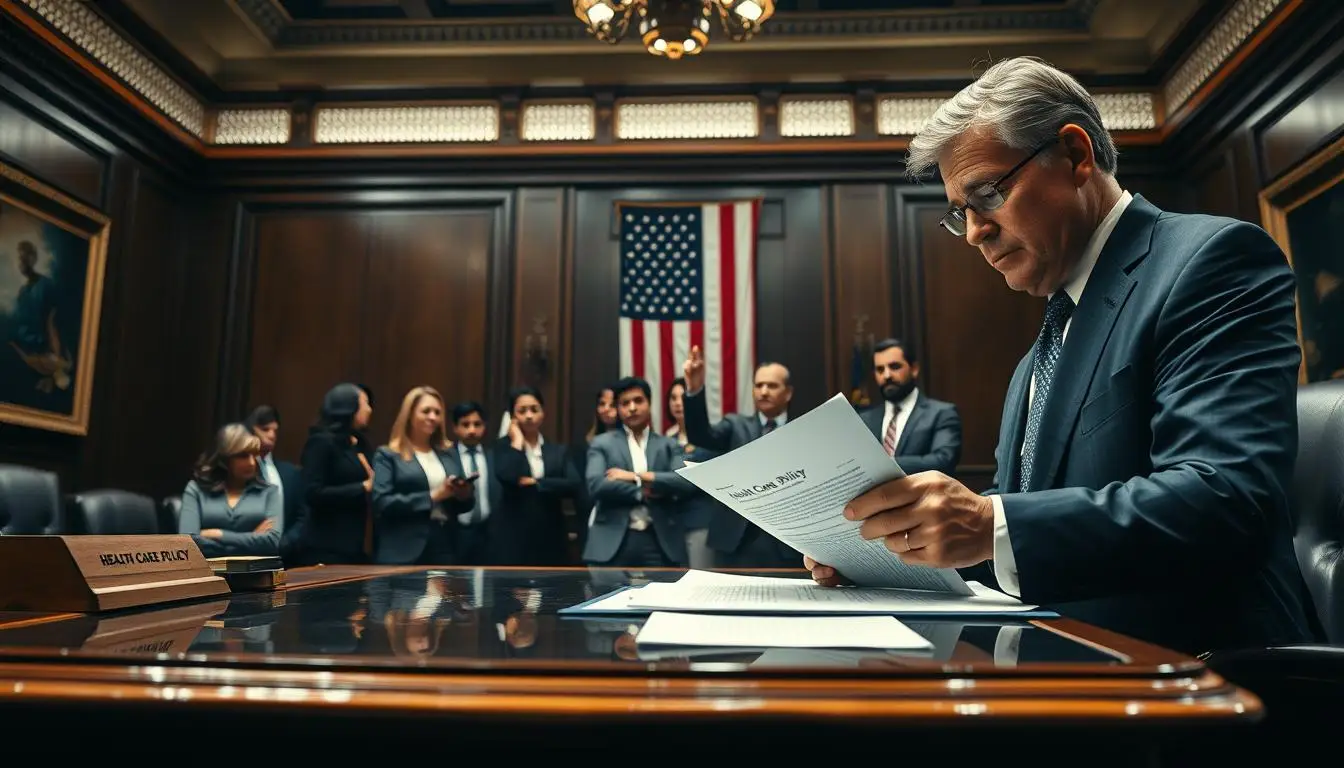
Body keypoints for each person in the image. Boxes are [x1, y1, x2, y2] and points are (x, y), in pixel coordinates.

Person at [806, 56, 1317, 655]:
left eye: (988, 194)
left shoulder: (1211, 261)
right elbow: (1015, 546)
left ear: (1075, 156)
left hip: (1201, 684)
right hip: (1061, 673)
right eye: (958, 213)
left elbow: (1226, 499)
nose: (974, 232)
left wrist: (986, 523)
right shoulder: (1038, 355)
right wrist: (889, 550)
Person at [178, 422, 282, 558]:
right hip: (207, 573)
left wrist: (219, 535)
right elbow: (188, 542)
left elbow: (271, 542)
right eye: (243, 455)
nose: (252, 462)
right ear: (225, 458)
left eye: (254, 455)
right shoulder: (196, 490)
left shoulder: (269, 492)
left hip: (255, 574)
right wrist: (252, 539)